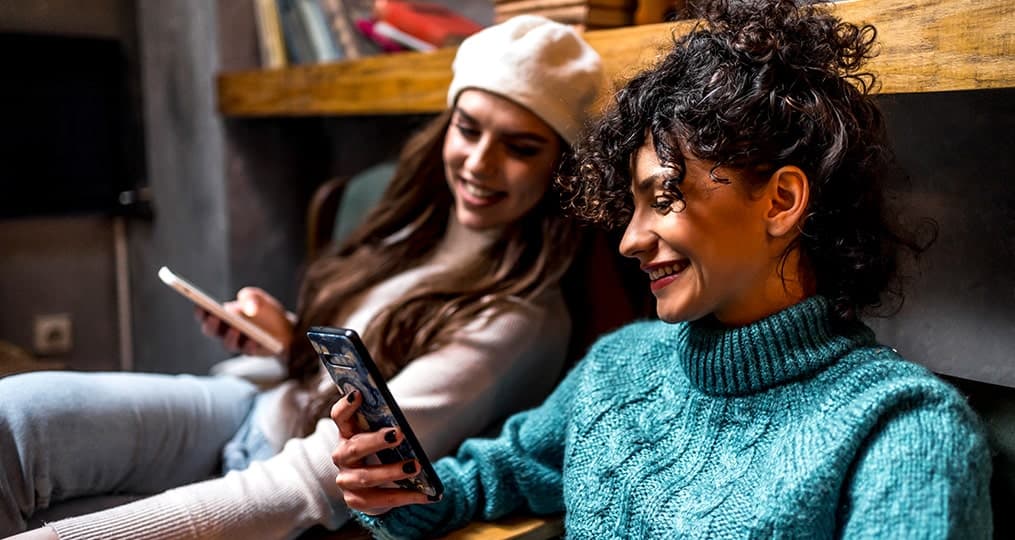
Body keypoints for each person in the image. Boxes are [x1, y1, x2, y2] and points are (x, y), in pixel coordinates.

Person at [329, 1, 994, 537]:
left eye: (665, 198)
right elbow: (479, 483)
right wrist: (393, 489)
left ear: (782, 201)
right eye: (631, 203)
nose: (629, 240)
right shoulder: (618, 367)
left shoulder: (903, 431)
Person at [0, 15, 603, 540]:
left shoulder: (519, 320)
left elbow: (316, 481)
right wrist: (286, 340)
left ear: (561, 168)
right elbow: (363, 375)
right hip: (251, 404)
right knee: (16, 415)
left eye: (520, 147)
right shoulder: (412, 225)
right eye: (468, 128)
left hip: (297, 480)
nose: (478, 163)